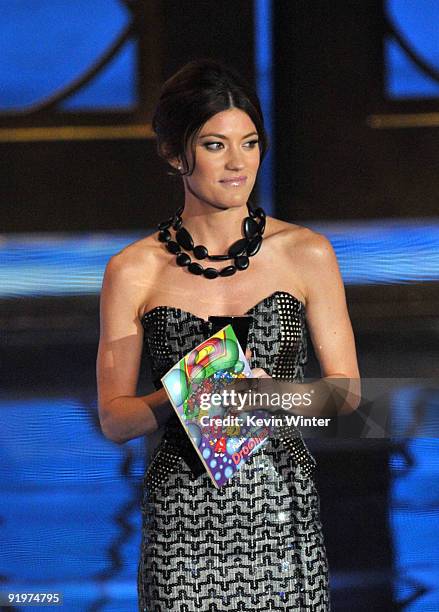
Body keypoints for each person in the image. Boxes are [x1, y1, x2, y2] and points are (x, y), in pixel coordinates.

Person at [96, 58, 360, 611]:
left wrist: (272, 398)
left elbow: (346, 394)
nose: (238, 162)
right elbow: (116, 419)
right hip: (181, 522)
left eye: (250, 142)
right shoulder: (133, 269)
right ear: (175, 154)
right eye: (215, 145)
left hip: (280, 512)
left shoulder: (307, 253)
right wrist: (191, 389)